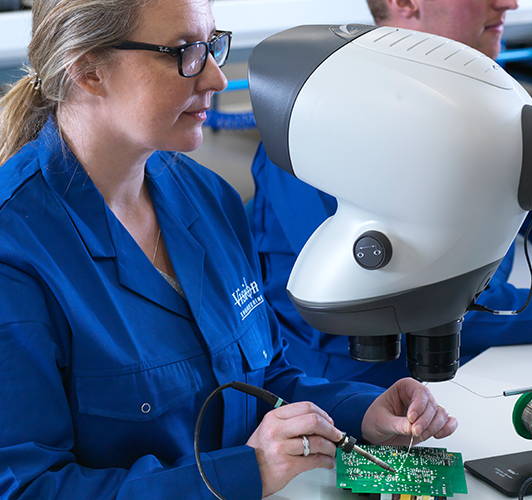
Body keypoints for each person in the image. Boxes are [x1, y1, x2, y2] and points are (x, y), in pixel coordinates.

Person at [0, 1, 457, 499]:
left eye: (212, 45)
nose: (217, 78)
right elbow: (31, 489)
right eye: (184, 53)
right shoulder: (15, 254)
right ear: (88, 69)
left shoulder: (207, 198)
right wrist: (244, 471)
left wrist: (361, 411)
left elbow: (263, 376)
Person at [249, 0, 532, 389]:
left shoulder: (484, 102)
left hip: (476, 367)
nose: (509, 4)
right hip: (359, 390)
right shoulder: (319, 125)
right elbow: (383, 298)